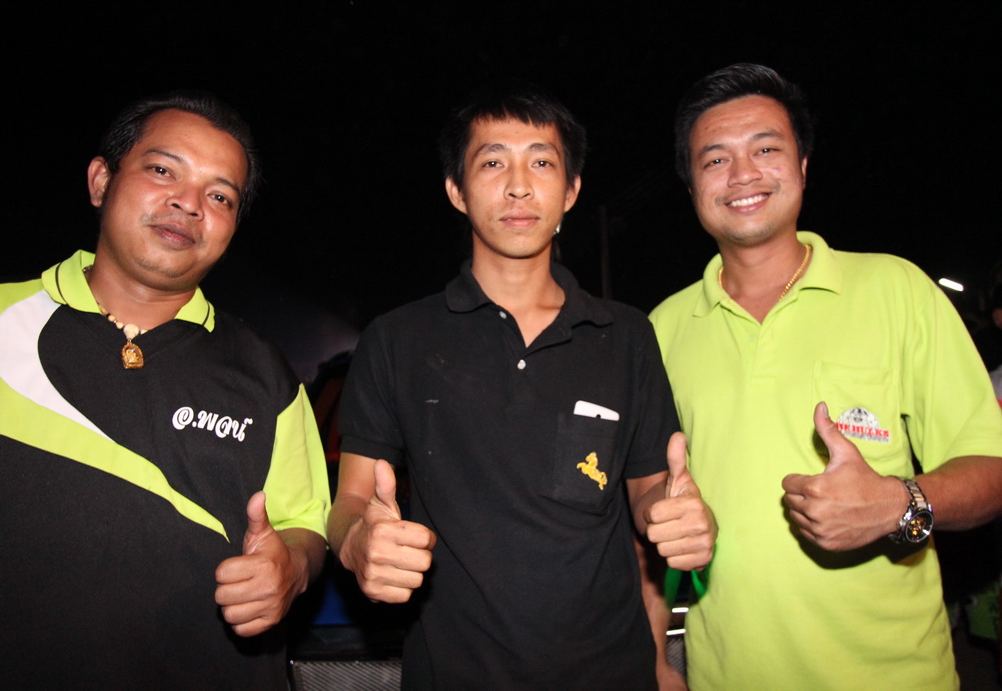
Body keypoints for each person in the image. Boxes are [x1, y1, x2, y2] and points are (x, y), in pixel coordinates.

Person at [327, 82, 716, 689]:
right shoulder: (397, 338)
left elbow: (647, 489)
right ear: (456, 190)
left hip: (611, 672)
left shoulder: (625, 336)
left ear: (571, 190)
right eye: (492, 163)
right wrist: (357, 540)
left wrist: (674, 511)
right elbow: (351, 499)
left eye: (541, 162)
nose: (518, 186)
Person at [650, 63, 1002, 690]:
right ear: (692, 185)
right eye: (715, 159)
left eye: (766, 149)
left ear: (804, 166)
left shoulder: (897, 289)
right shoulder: (660, 330)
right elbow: (651, 510)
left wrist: (900, 503)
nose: (743, 174)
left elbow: (992, 467)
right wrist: (655, 657)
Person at [0, 92, 331, 689]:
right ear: (101, 180)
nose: (189, 204)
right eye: (163, 170)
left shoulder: (267, 372)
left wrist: (289, 568)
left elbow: (304, 523)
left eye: (220, 196)